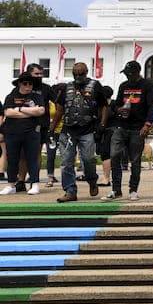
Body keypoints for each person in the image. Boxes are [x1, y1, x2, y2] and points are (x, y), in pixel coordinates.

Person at [53, 63, 106, 202]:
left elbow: (104, 106)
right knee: (66, 162)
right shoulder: (66, 88)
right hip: (68, 130)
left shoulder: (95, 86)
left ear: (87, 72)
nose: (78, 77)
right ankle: (70, 191)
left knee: (88, 159)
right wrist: (51, 129)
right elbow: (59, 110)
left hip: (87, 129)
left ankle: (92, 180)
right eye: (75, 74)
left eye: (81, 74)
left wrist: (102, 125)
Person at [104, 61, 153, 201]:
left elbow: (152, 106)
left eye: (129, 74)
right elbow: (116, 104)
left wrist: (147, 125)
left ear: (136, 73)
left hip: (137, 128)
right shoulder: (124, 86)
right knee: (115, 156)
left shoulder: (147, 85)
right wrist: (118, 109)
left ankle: (133, 189)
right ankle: (116, 189)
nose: (127, 77)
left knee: (135, 160)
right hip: (121, 126)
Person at [0, 72, 47, 195]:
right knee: (12, 159)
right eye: (25, 83)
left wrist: (20, 109)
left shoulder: (36, 96)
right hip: (12, 133)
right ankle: (11, 185)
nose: (28, 86)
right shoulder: (11, 96)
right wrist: (30, 112)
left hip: (31, 132)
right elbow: (8, 112)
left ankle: (35, 183)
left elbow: (40, 111)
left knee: (32, 158)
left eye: (30, 84)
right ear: (20, 84)